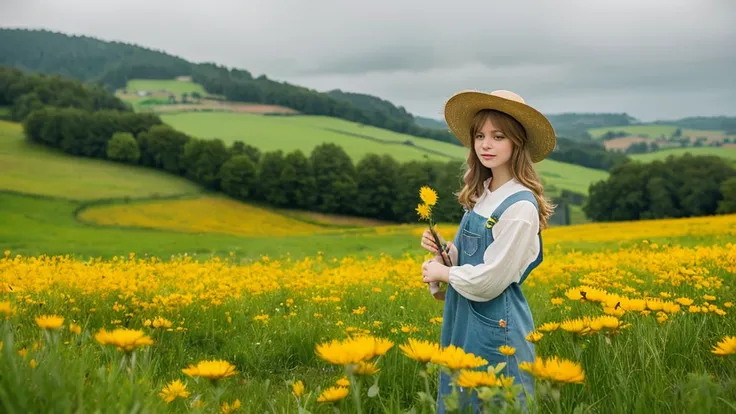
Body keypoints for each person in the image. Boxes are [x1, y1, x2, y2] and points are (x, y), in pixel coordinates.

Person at [420, 89, 556, 413]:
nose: (485, 144)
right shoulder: (484, 193)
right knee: (462, 398)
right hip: (464, 316)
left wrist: (444, 272)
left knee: (496, 400)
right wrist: (447, 253)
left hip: (496, 324)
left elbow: (492, 278)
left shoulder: (520, 206)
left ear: (516, 143)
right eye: (480, 135)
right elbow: (478, 258)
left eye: (498, 136)